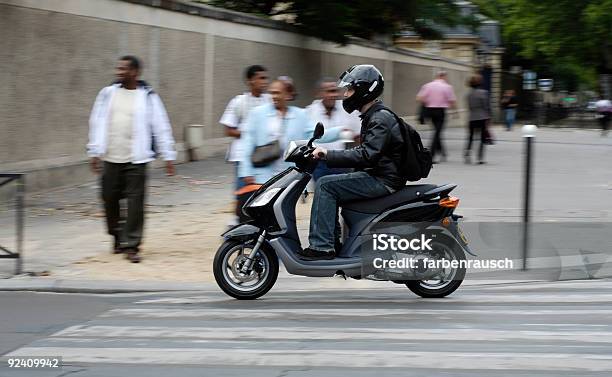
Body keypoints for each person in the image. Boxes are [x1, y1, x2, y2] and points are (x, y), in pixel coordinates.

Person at [298, 65, 407, 261]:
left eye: (350, 90)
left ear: (364, 91)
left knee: (325, 184)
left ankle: (322, 247)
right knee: (332, 183)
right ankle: (332, 242)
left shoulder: (379, 118)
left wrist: (328, 155)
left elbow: (368, 155)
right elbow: (368, 152)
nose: (345, 94)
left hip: (383, 180)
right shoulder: (373, 115)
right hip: (380, 174)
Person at [87, 55, 176, 263]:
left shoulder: (148, 96)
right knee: (109, 199)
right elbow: (96, 121)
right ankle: (117, 236)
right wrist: (94, 151)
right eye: (118, 68)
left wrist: (169, 155)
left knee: (135, 203)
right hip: (110, 157)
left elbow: (160, 125)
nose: (119, 72)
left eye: (124, 69)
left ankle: (132, 245)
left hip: (137, 159)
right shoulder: (107, 94)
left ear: (135, 72)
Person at [239, 80, 343, 186]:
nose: (273, 96)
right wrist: (246, 171)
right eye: (272, 93)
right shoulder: (257, 114)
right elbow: (247, 143)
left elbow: (314, 134)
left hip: (289, 176)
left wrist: (340, 132)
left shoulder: (300, 115)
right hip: (262, 177)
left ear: (287, 95)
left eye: (277, 93)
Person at [219, 65, 270, 223]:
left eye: (265, 78)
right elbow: (228, 129)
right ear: (250, 81)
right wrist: (250, 135)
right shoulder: (238, 102)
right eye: (260, 78)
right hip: (242, 155)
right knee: (242, 192)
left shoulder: (270, 100)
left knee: (263, 192)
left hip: (264, 155)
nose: (264, 82)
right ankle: (238, 222)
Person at [306, 77, 362, 181]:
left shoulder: (347, 109)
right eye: (329, 91)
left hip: (341, 161)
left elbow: (359, 136)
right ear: (320, 94)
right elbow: (308, 137)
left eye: (335, 91)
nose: (334, 95)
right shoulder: (310, 112)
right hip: (319, 163)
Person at [416, 71, 456, 163]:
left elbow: (419, 98)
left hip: (429, 111)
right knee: (437, 132)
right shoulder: (447, 87)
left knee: (437, 131)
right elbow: (452, 100)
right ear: (444, 77)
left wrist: (428, 102)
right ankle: (432, 155)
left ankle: (442, 152)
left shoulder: (427, 86)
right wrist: (455, 112)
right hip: (440, 111)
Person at [464, 74, 491, 164]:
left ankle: (467, 153)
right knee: (482, 138)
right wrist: (489, 117)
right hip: (482, 117)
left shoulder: (468, 94)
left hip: (472, 118)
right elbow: (486, 106)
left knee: (471, 137)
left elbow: (469, 107)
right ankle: (480, 157)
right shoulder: (483, 93)